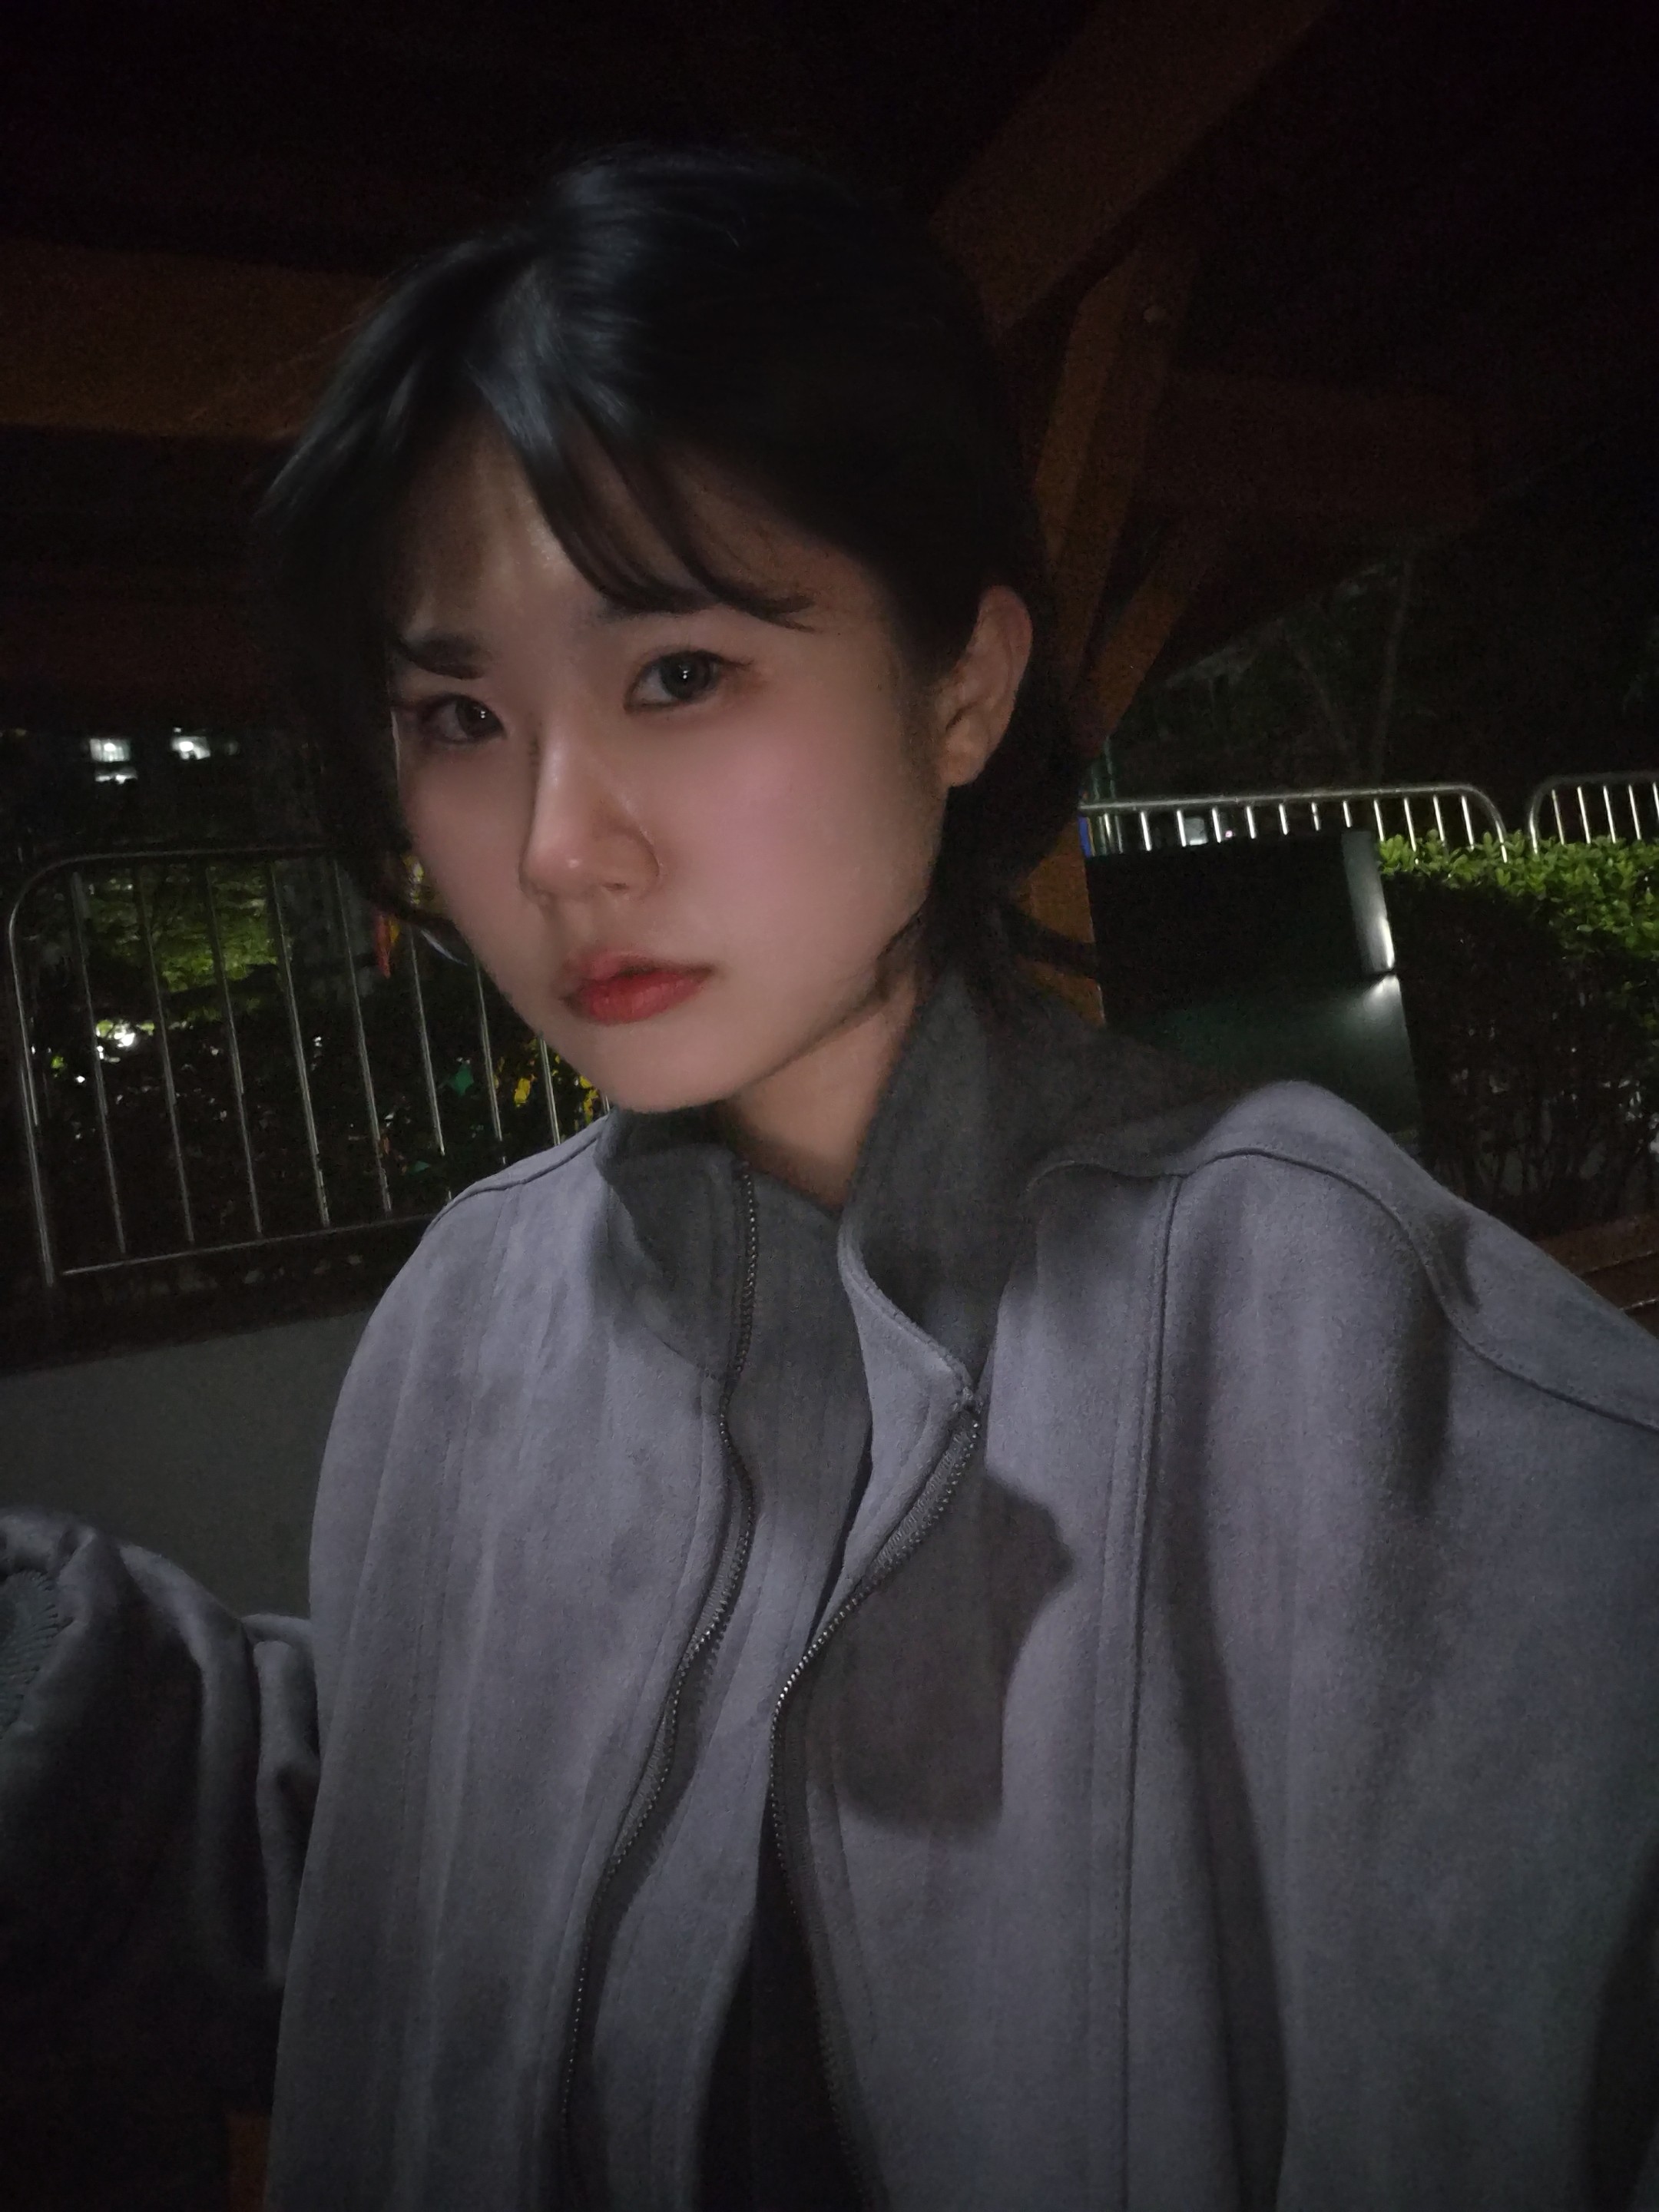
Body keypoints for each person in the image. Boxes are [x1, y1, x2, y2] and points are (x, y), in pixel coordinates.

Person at [4, 142, 1659, 2212]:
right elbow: (427, 1879)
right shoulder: (465, 1322)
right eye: (458, 713)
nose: (556, 846)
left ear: (961, 683)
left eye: (678, 672)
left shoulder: (1368, 1361)